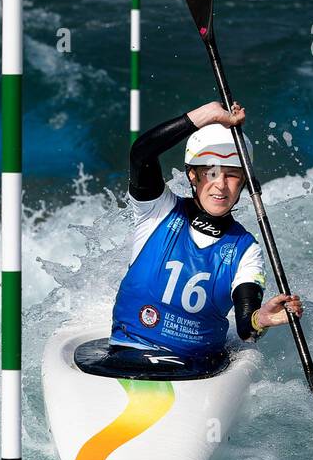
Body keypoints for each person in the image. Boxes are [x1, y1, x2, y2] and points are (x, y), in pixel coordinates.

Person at [106, 101, 301, 372]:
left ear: (243, 182)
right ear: (192, 175)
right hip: (130, 350)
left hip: (198, 368)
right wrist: (205, 115)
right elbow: (141, 154)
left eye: (233, 175)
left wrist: (261, 319)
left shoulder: (246, 249)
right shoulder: (157, 210)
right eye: (211, 173)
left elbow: (246, 327)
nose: (221, 185)